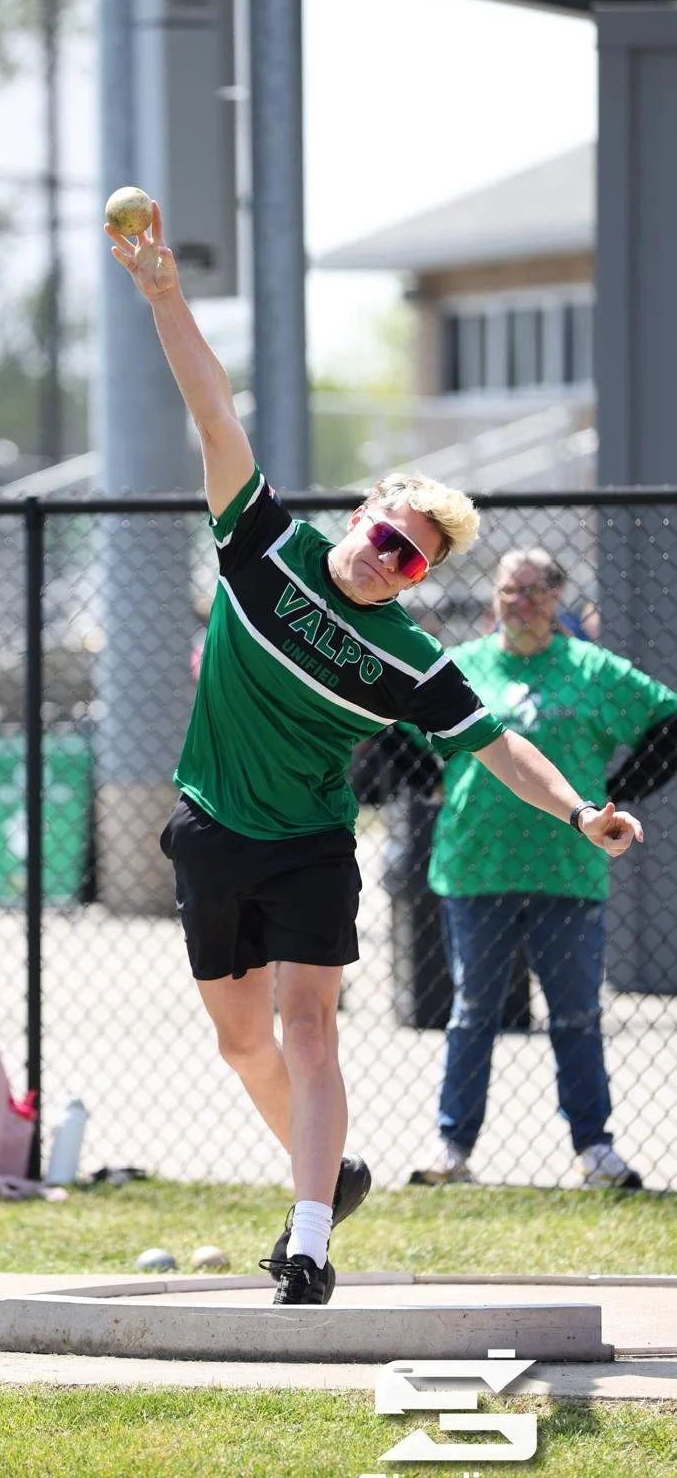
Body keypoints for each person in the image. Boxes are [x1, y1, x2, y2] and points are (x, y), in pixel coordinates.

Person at [105, 201, 644, 1306]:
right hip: (211, 828)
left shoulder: (410, 657)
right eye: (390, 537)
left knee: (309, 1029)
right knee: (240, 1044)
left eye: (413, 563)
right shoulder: (262, 543)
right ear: (362, 515)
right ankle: (332, 1174)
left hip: (309, 843)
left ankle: (307, 1238)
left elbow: (497, 748)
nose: (394, 563)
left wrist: (580, 809)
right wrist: (165, 293)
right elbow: (214, 414)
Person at [409, 547, 677, 1189]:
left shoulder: (591, 669)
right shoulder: (462, 669)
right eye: (508, 590)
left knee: (577, 1014)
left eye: (534, 590)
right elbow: (403, 741)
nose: (520, 602)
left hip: (568, 869)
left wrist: (621, 790)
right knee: (473, 1010)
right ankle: (453, 1147)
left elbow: (666, 720)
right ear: (494, 597)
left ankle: (595, 1149)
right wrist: (424, 786)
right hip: (477, 865)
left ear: (557, 596)